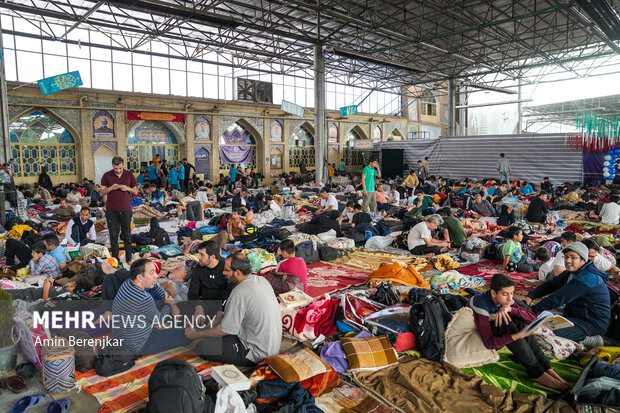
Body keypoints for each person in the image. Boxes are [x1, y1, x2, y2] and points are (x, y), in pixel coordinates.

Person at [469, 273, 569, 391]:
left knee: (518, 320)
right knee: (505, 323)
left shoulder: (506, 300)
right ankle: (536, 373)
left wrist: (511, 309)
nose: (510, 298)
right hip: (475, 344)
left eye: (512, 293)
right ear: (493, 293)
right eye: (505, 294)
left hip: (491, 339)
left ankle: (546, 368)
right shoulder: (481, 304)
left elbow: (532, 319)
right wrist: (520, 335)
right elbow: (489, 343)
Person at [186, 253, 282, 366]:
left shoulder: (239, 292)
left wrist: (195, 334)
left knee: (202, 346)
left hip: (255, 353)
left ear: (237, 273)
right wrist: (225, 316)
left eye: (226, 270)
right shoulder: (261, 280)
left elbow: (225, 330)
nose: (223, 273)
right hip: (271, 346)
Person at [524, 242, 611, 344]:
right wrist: (530, 296)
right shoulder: (572, 272)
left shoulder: (587, 278)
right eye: (566, 257)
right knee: (537, 322)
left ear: (583, 260)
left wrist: (531, 311)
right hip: (574, 316)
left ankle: (590, 340)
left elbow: (558, 298)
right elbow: (552, 284)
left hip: (591, 325)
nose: (568, 261)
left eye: (573, 258)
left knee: (538, 330)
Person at [112, 259, 190, 355]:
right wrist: (169, 304)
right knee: (186, 334)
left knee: (170, 322)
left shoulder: (127, 283)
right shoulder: (144, 297)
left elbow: (157, 288)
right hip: (138, 345)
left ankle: (171, 324)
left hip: (122, 337)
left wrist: (158, 287)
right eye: (151, 273)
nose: (156, 276)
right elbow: (159, 320)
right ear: (140, 277)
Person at [101, 156, 138, 266]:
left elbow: (135, 191)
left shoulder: (129, 175)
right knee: (113, 235)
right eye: (116, 168)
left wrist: (128, 189)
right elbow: (102, 193)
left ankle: (128, 258)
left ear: (123, 165)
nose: (118, 170)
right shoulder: (107, 175)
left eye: (120, 168)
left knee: (127, 234)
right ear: (113, 166)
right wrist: (111, 188)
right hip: (111, 210)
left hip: (126, 209)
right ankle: (115, 259)